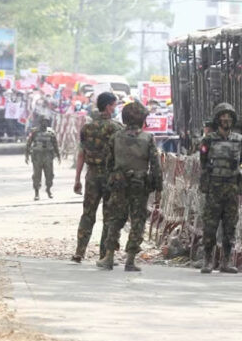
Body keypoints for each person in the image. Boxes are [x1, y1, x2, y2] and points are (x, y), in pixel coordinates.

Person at [98, 101, 162, 271]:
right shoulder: (148, 138)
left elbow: (108, 162)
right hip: (139, 185)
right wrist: (158, 187)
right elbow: (155, 165)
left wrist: (112, 178)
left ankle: (109, 257)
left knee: (115, 220)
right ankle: (130, 260)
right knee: (138, 222)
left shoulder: (115, 137)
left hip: (119, 183)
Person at [71, 92, 122, 263]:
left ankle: (80, 251)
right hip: (110, 176)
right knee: (109, 215)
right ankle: (105, 254)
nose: (115, 109)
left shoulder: (87, 128)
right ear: (108, 106)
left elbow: (81, 155)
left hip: (91, 175)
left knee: (88, 214)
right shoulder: (116, 128)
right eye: (114, 105)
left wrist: (77, 179)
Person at [198, 102, 242, 274]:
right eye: (223, 116)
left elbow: (241, 162)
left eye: (229, 116)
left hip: (231, 188)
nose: (226, 119)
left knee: (230, 226)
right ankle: (208, 260)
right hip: (214, 188)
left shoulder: (239, 140)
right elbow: (203, 161)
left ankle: (226, 261)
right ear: (217, 119)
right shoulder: (208, 140)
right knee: (210, 226)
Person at [25, 118, 60, 200]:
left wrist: (58, 155)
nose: (44, 123)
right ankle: (36, 192)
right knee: (37, 175)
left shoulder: (51, 132)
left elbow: (55, 144)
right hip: (37, 156)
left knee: (49, 175)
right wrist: (26, 155)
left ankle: (48, 189)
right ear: (40, 123)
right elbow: (29, 143)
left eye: (46, 121)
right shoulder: (34, 132)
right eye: (42, 121)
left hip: (48, 156)